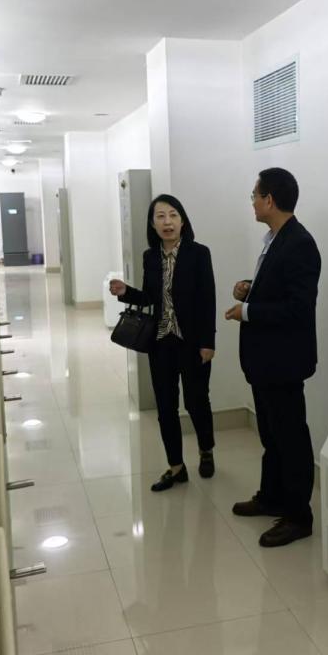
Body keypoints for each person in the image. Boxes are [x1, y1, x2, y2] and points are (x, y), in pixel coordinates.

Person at [225, 168, 321, 548]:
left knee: (290, 437)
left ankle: (298, 516)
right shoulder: (276, 239)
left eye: (255, 195)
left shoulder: (300, 243)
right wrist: (249, 289)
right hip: (266, 361)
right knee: (271, 435)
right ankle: (272, 497)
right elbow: (277, 290)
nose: (252, 202)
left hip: (284, 362)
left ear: (269, 200)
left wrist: (246, 311)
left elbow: (298, 308)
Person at [110, 194, 217, 492]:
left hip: (192, 342)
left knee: (196, 401)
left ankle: (206, 449)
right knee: (165, 407)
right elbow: (150, 298)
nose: (167, 222)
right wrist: (126, 292)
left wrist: (208, 342)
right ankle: (176, 467)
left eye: (172, 215)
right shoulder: (150, 256)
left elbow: (208, 299)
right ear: (152, 223)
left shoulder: (199, 253)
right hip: (160, 342)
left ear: (182, 220)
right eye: (160, 216)